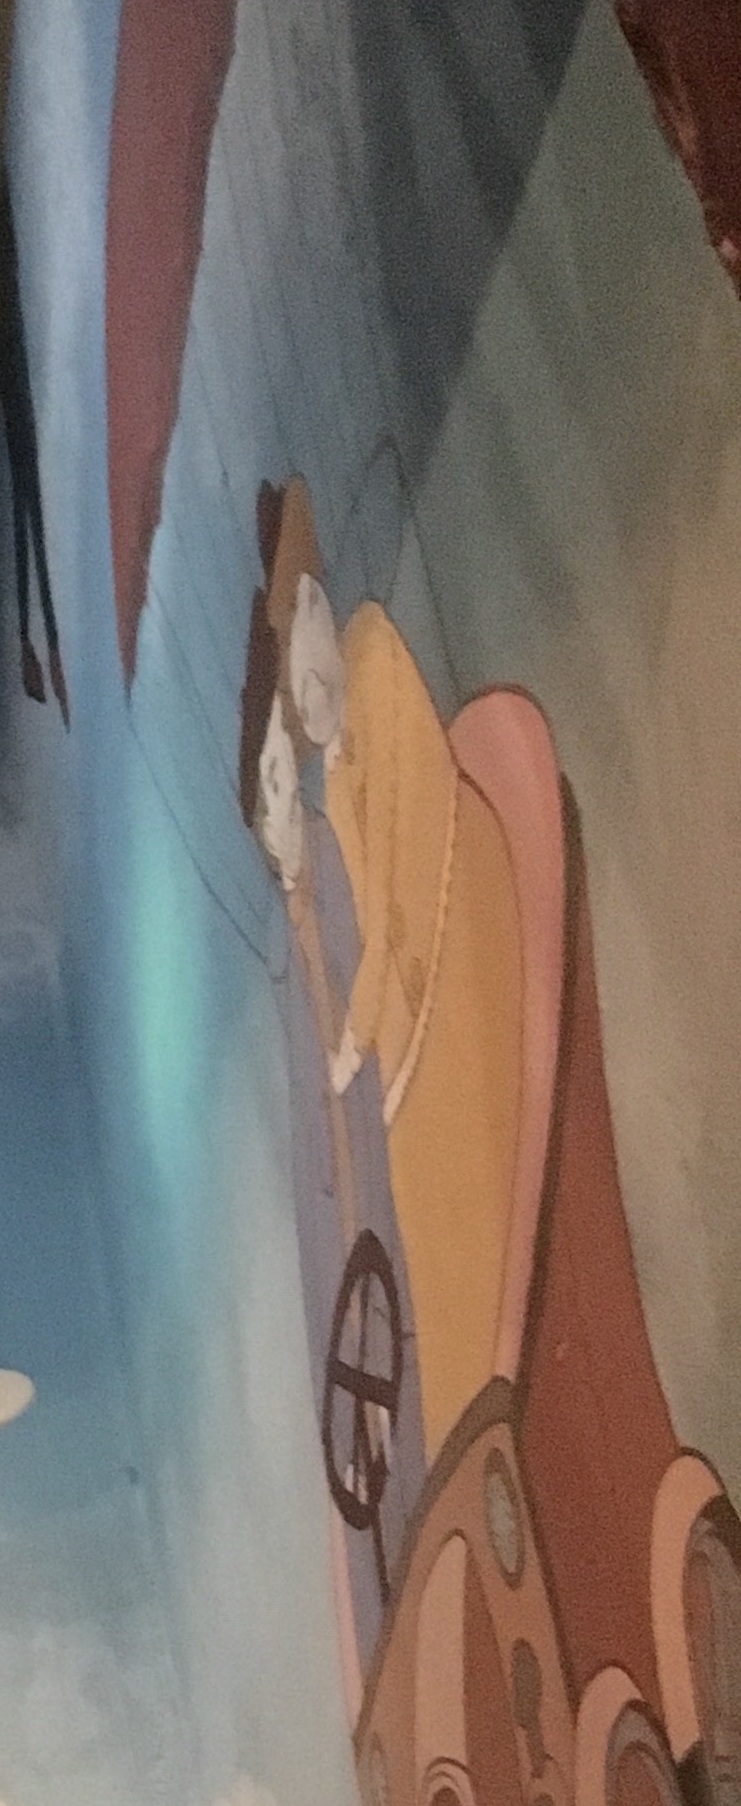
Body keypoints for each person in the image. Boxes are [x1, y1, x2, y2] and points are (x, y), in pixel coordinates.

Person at [258, 480, 523, 1443]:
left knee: (473, 1239)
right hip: (414, 1022)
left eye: (303, 650)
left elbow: (410, 884)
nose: (306, 697)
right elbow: (372, 915)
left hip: (449, 984)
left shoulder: (376, 673)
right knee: (432, 1236)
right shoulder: (335, 765)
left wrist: (357, 1035)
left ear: (317, 611)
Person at [240, 585, 423, 1681]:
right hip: (351, 1175)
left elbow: (384, 953)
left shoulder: (341, 830)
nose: (282, 802)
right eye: (270, 785)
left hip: (379, 1143)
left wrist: (354, 1047)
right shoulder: (302, 892)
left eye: (283, 774)